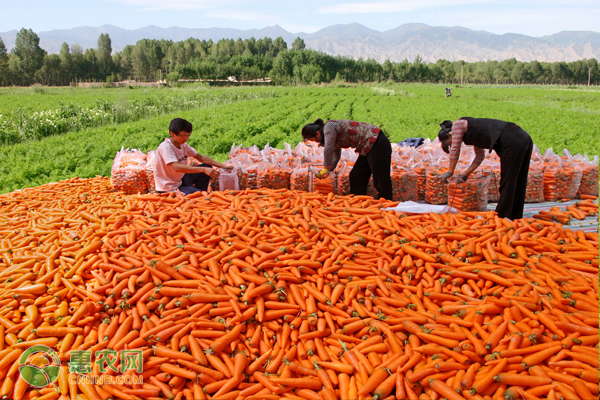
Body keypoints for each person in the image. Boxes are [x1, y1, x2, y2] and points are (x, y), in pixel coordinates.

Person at [437, 117, 533, 220]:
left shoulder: (458, 125)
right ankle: (515, 216)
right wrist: (466, 174)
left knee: (508, 182)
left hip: (512, 140)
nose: (451, 145)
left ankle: (501, 218)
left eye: (449, 143)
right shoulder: (474, 133)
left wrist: (450, 171)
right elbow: (480, 157)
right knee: (517, 180)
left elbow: (455, 150)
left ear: (449, 135)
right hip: (522, 138)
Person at [301, 118, 393, 200]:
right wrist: (330, 169)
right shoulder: (330, 135)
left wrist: (325, 168)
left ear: (317, 133)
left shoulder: (329, 127)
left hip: (377, 142)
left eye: (313, 140)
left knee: (380, 177)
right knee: (356, 175)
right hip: (367, 146)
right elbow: (335, 155)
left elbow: (328, 149)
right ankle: (358, 202)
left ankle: (386, 204)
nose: (315, 142)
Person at [154, 118, 231, 195]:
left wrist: (223, 166)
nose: (186, 138)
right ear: (172, 134)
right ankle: (198, 194)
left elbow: (200, 157)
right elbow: (176, 167)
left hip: (180, 179)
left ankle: (200, 192)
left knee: (207, 166)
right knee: (200, 193)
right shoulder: (166, 147)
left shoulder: (183, 145)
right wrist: (203, 169)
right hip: (169, 186)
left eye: (188, 135)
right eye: (183, 135)